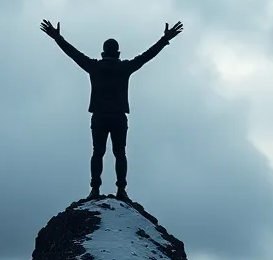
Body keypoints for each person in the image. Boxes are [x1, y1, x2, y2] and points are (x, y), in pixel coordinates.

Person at [41, 19, 183, 200]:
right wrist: (164, 39)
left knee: (97, 152)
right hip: (118, 117)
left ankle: (95, 189)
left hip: (99, 116)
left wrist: (57, 38)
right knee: (120, 153)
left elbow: (73, 53)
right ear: (118, 53)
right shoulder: (125, 67)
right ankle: (121, 189)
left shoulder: (94, 66)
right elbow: (148, 55)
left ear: (103, 53)